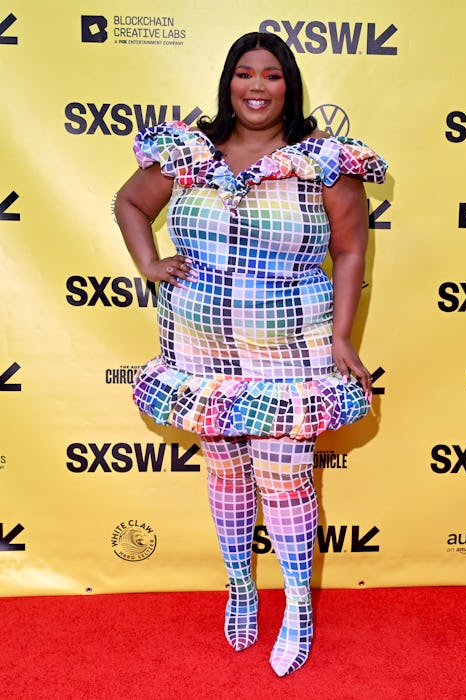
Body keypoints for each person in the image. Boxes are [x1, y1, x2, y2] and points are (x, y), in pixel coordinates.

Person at [114, 31, 387, 677]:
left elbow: (350, 250)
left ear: (288, 86)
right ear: (228, 83)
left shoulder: (321, 163)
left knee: (287, 477)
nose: (257, 86)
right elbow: (128, 202)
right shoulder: (187, 154)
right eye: (244, 73)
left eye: (271, 75)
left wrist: (343, 337)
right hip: (201, 345)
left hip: (291, 348)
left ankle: (297, 605)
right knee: (226, 471)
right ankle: (240, 588)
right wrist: (150, 262)